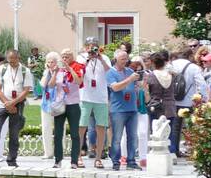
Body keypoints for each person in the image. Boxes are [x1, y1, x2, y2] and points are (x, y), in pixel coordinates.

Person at [0, 48, 34, 168]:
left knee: (14, 133)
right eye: (9, 61)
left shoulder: (25, 71)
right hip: (2, 104)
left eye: (14, 61)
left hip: (18, 104)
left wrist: (13, 103)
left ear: (18, 58)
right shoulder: (2, 69)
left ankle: (11, 160)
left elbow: (26, 90)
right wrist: (7, 103)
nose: (11, 63)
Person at [43, 51, 81, 169]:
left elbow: (79, 81)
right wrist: (54, 72)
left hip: (73, 104)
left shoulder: (76, 67)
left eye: (67, 56)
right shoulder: (58, 71)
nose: (65, 58)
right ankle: (57, 160)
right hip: (60, 104)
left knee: (74, 133)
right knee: (58, 134)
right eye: (63, 56)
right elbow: (50, 85)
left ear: (72, 57)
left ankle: (74, 161)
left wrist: (69, 69)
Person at [106, 49, 142, 171]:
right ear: (116, 59)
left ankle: (131, 161)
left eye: (126, 58)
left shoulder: (130, 71)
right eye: (122, 59)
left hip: (132, 108)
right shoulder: (110, 73)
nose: (125, 61)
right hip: (118, 110)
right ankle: (116, 161)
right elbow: (115, 87)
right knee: (117, 137)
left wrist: (141, 83)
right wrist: (130, 79)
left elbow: (136, 86)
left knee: (132, 136)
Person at [79, 38, 110, 168]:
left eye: (95, 47)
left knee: (101, 127)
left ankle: (98, 157)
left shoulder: (105, 58)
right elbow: (79, 73)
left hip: (101, 98)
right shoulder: (81, 58)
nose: (92, 49)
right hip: (85, 97)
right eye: (90, 47)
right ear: (86, 47)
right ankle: (78, 156)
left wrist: (100, 58)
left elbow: (109, 70)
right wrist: (87, 60)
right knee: (81, 127)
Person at [169, 44, 204, 159]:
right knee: (191, 126)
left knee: (175, 127)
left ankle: (173, 151)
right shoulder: (194, 67)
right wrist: (203, 98)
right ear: (190, 55)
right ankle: (194, 151)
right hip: (188, 101)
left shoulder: (171, 65)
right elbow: (201, 84)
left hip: (173, 100)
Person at [146, 51, 179, 158]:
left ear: (153, 63)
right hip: (170, 106)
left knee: (156, 131)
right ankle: (171, 152)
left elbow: (148, 91)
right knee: (169, 131)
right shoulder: (171, 75)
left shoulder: (151, 76)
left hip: (156, 106)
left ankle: (157, 153)